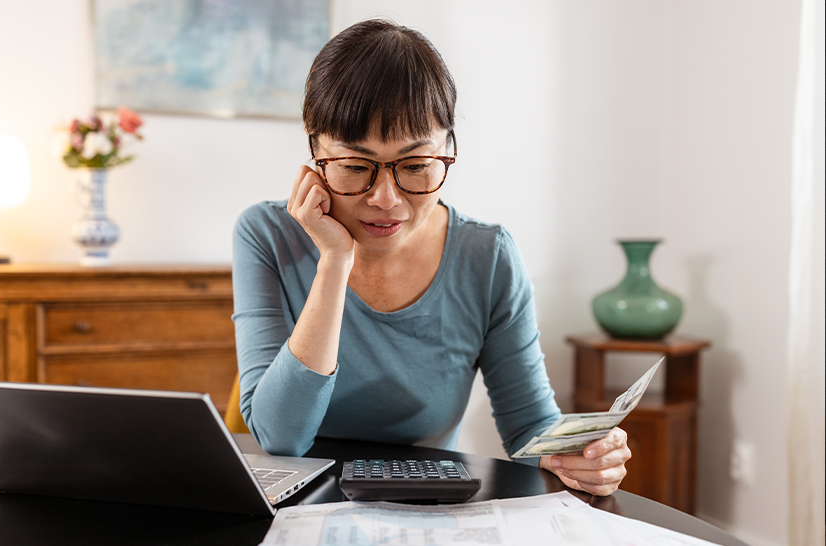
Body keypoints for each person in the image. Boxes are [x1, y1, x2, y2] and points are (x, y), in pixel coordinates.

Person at [232, 19, 631, 496]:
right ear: (315, 152)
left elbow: (529, 428)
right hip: (293, 512)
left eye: (416, 166)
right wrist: (335, 260)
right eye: (355, 167)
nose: (385, 198)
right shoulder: (266, 235)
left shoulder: (488, 257)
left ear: (449, 148)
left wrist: (581, 456)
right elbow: (280, 438)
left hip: (425, 510)